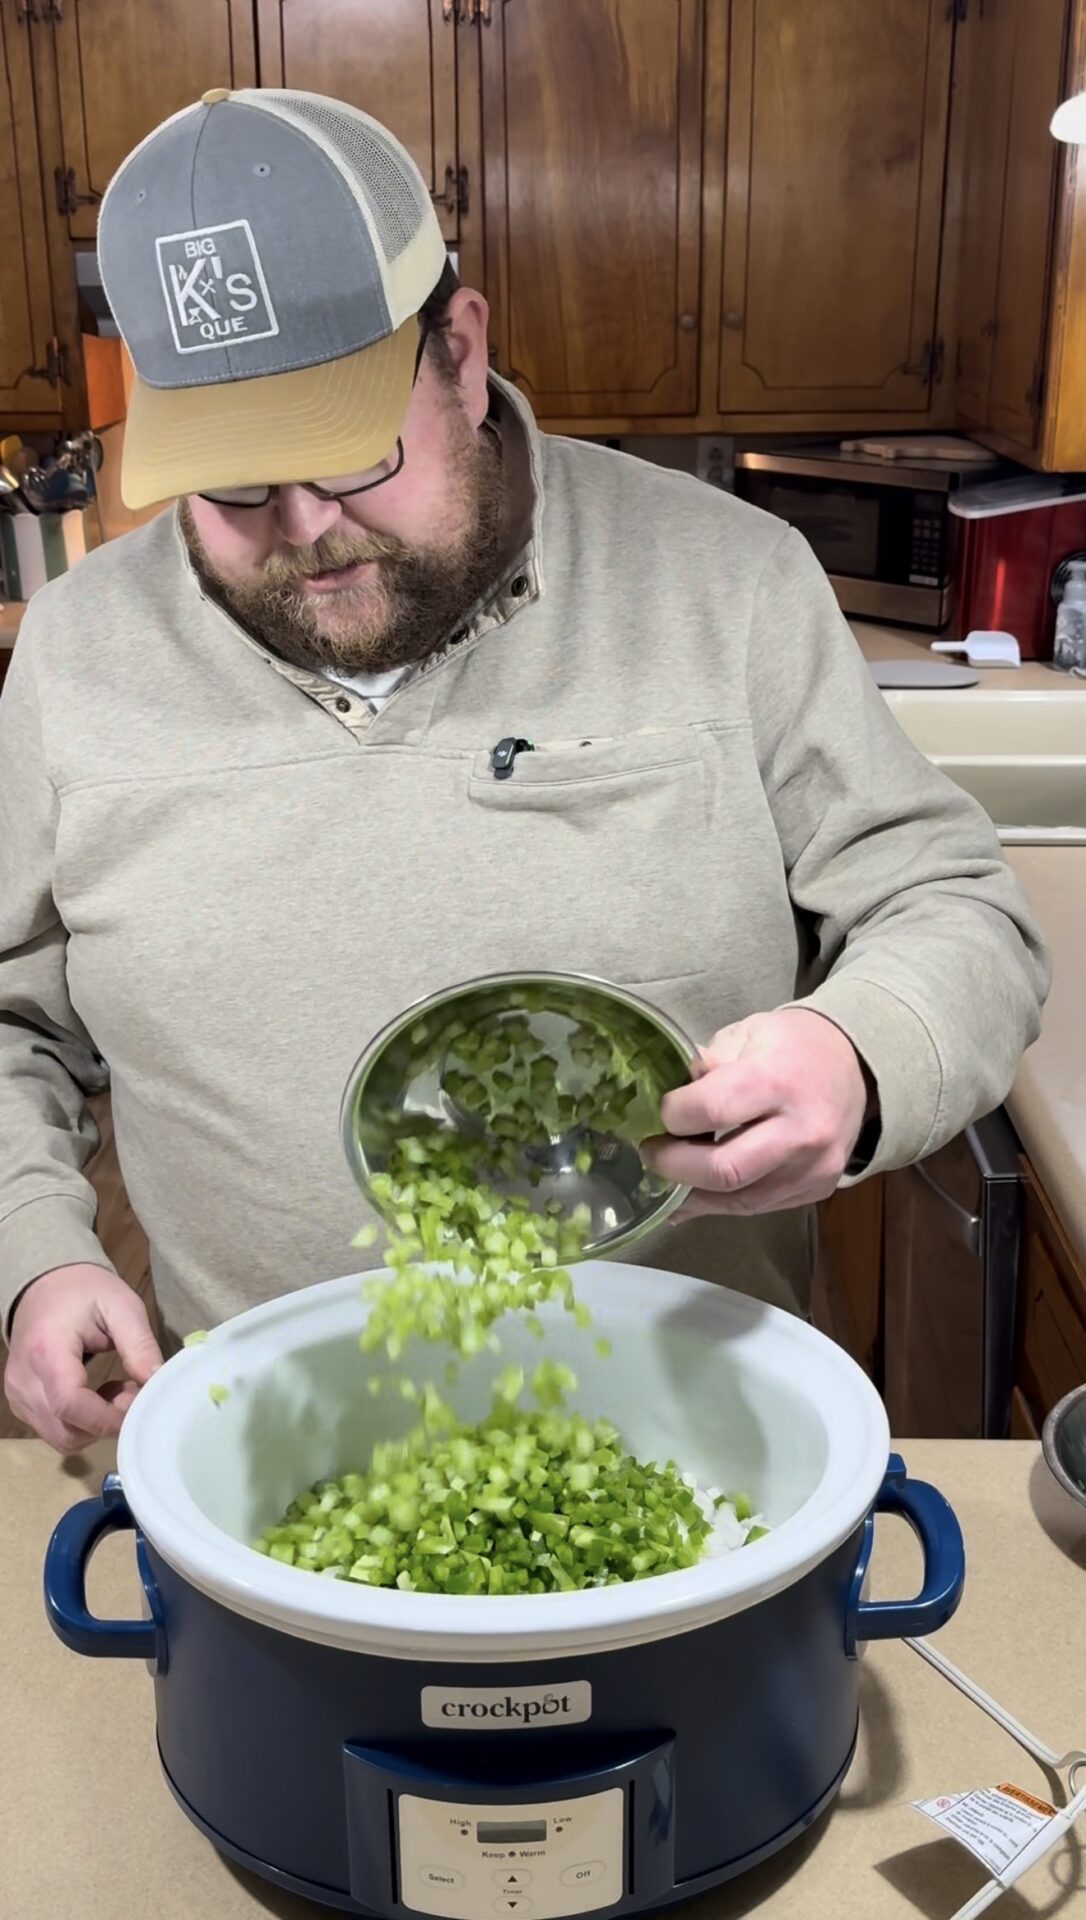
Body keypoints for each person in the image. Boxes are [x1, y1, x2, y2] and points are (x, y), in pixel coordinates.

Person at [0, 89, 1048, 1454]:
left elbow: (951, 903)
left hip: (689, 1443)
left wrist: (858, 1054)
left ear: (461, 345)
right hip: (269, 1450)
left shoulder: (725, 581)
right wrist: (34, 1248)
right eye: (237, 485)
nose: (307, 528)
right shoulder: (76, 649)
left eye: (352, 452)